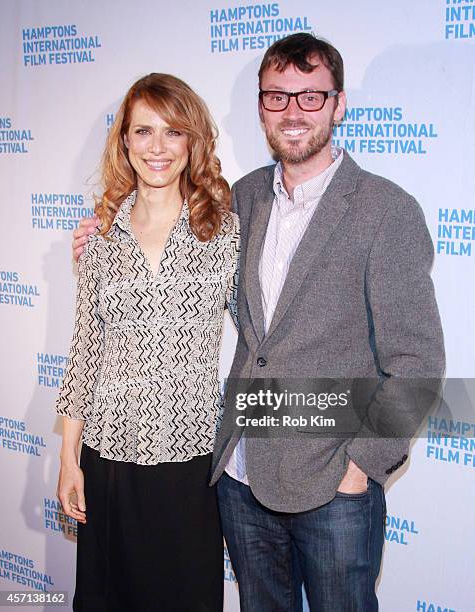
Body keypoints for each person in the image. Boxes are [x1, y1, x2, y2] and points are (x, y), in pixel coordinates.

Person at [73, 34, 445, 612]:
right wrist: (101, 233)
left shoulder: (385, 210)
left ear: (339, 104)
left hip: (332, 486)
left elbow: (418, 365)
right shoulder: (237, 204)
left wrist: (361, 468)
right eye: (277, 97)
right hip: (240, 480)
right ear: (261, 107)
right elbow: (163, 277)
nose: (293, 112)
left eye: (310, 96)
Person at [57, 72, 239, 612]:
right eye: (142, 132)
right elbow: (84, 351)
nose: (157, 148)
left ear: (193, 140)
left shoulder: (224, 229)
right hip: (108, 455)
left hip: (190, 458)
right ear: (124, 142)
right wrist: (69, 458)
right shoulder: (102, 237)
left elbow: (263, 333)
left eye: (172, 132)